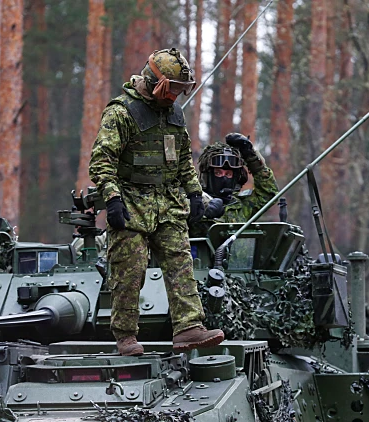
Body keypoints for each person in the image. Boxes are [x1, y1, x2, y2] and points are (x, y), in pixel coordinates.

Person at [89, 48, 224, 356]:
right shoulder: (121, 112)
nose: (177, 95)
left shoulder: (174, 114)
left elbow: (184, 162)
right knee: (129, 271)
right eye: (173, 88)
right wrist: (111, 197)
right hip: (130, 203)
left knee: (181, 263)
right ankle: (125, 336)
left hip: (167, 203)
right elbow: (101, 161)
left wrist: (193, 192)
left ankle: (189, 328)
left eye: (181, 90)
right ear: (156, 82)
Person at [189, 133, 279, 237]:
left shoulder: (242, 206)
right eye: (218, 173)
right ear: (207, 175)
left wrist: (252, 157)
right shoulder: (194, 201)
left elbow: (269, 193)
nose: (223, 178)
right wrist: (203, 207)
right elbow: (170, 210)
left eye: (228, 174)